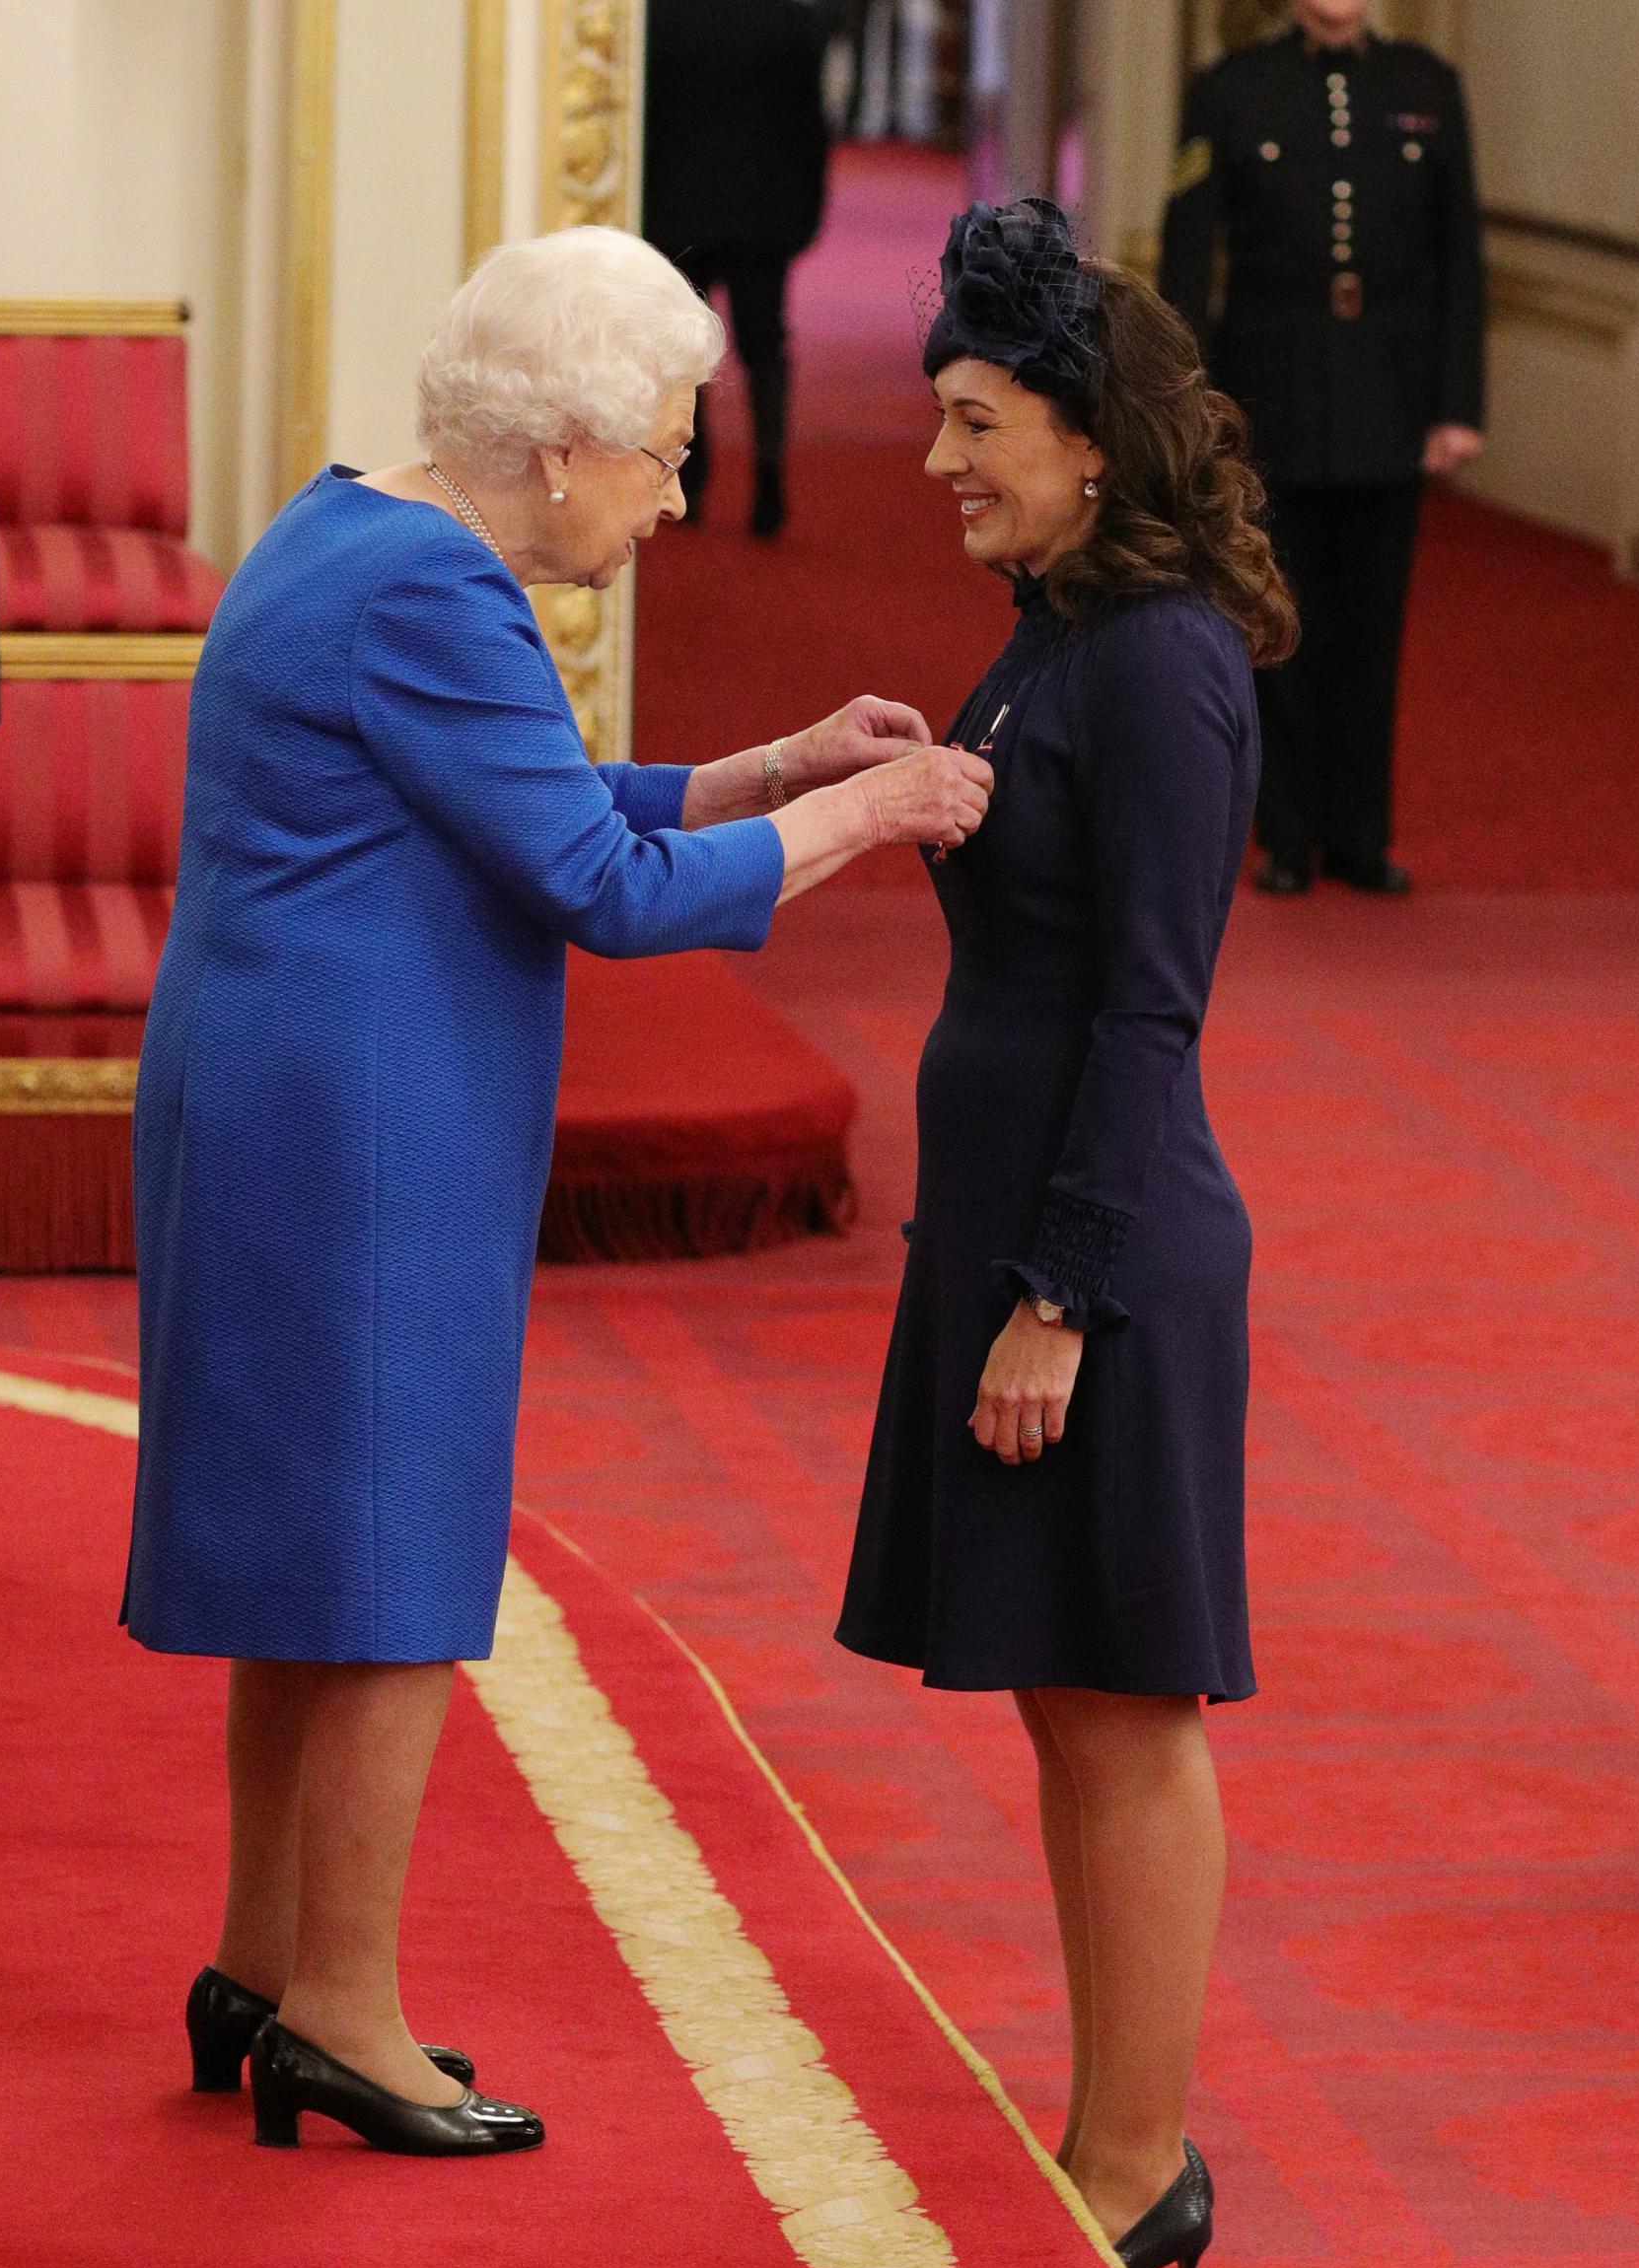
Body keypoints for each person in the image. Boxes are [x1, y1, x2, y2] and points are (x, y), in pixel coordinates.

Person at [121, 225, 990, 2160]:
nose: (675, 498)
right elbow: (599, 889)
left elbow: (535, 793)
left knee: (310, 1574)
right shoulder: (442, 593)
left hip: (285, 1092)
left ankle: (264, 1965)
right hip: (358, 1126)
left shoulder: (357, 527)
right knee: (389, 1577)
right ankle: (344, 2010)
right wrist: (871, 812)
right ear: (558, 449)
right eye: (663, 456)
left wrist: (774, 761)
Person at [837, 198, 1296, 2268]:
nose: (941, 455)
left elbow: (1150, 1005)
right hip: (1012, 1221)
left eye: (974, 417)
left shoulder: (1168, 660)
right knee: (1064, 1706)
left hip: (1098, 1252)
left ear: (1089, 436)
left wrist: (1061, 1293)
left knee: (1128, 1707)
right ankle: (1105, 2126)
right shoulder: (1050, 623)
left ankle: (1141, 2155)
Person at [1159, 0, 1485, 897]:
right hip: (1273, 394)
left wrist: (1456, 404)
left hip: (1390, 393)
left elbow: (1460, 252)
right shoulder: (1231, 90)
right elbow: (1190, 251)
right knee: (1277, 617)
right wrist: (1188, 406)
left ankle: (1360, 834)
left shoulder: (1426, 86)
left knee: (1373, 625)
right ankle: (1288, 835)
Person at [642, 0, 832, 536]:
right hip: (762, 210)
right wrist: (809, 207)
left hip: (678, 208)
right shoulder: (792, 18)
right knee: (764, 346)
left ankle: (691, 478)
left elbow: (645, 120)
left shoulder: (659, 18)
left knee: (684, 350)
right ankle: (768, 473)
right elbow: (809, 123)